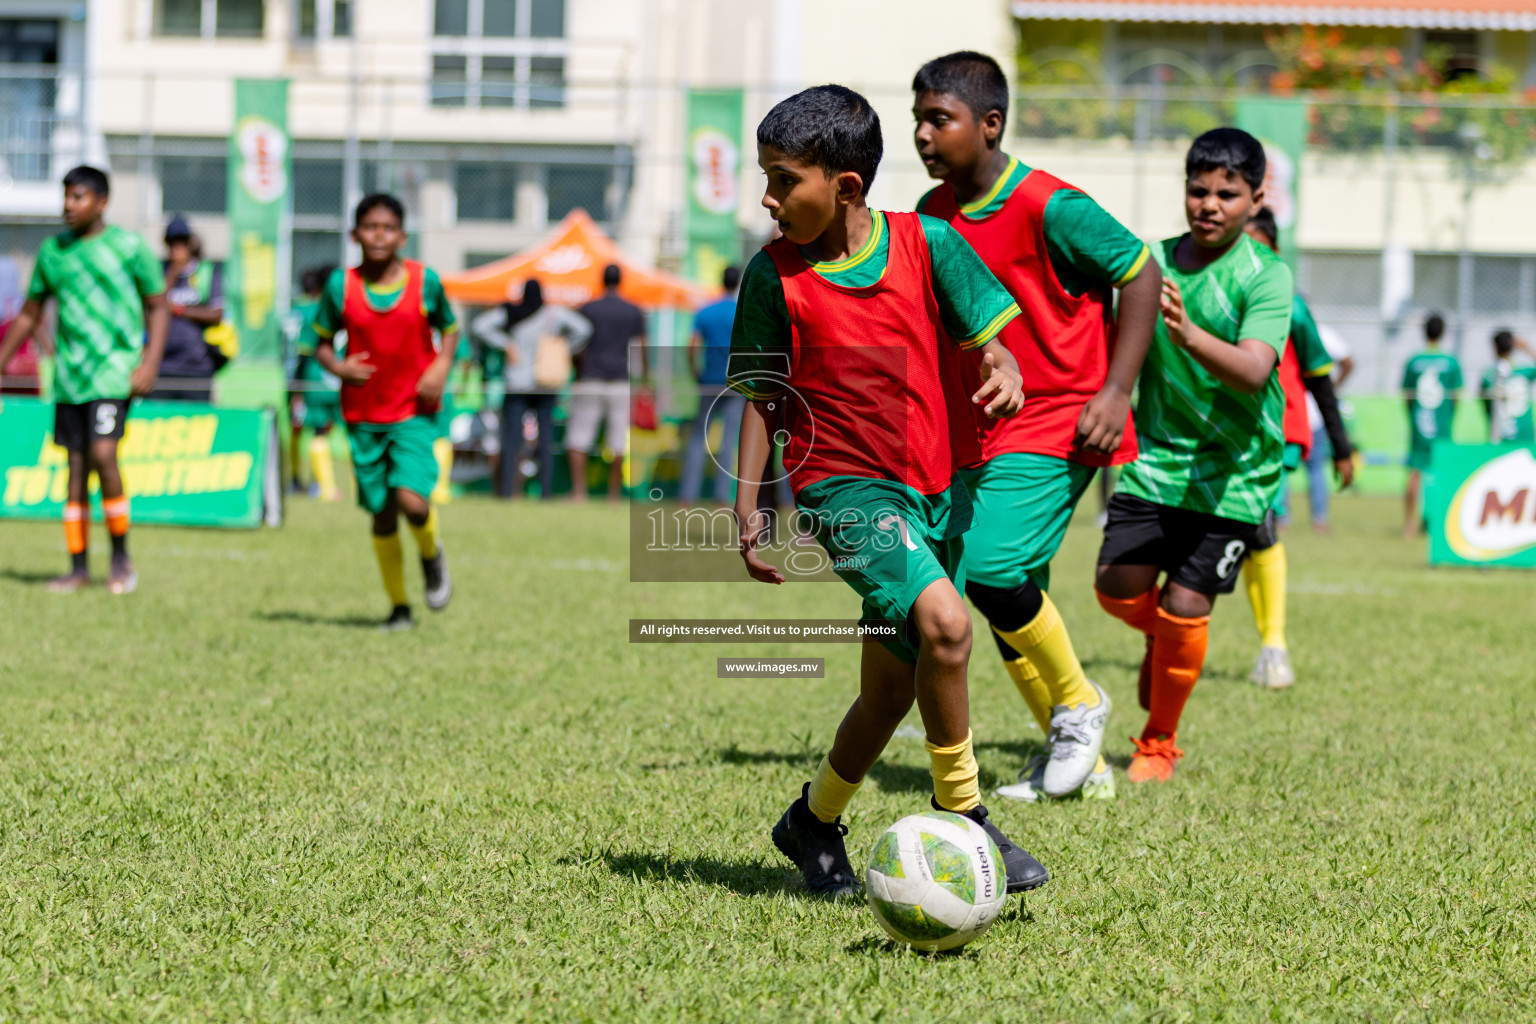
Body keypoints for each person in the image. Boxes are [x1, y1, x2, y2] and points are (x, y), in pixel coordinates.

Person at [731, 85, 1047, 898]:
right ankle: (966, 817)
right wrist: (750, 506)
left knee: (889, 692)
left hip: (933, 491)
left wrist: (1004, 366)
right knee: (946, 626)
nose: (767, 198)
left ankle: (813, 820)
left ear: (846, 186)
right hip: (844, 496)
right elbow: (764, 397)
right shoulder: (774, 277)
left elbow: (993, 341)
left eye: (781, 179)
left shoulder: (928, 243)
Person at [912, 51, 1163, 803]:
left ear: (989, 125)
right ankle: (1084, 768)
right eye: (918, 119)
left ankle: (1081, 708)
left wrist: (1118, 390)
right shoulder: (931, 215)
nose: (923, 135)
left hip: (1061, 415)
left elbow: (1142, 270)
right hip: (982, 428)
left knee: (990, 571)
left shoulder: (1052, 205)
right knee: (1001, 600)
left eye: (939, 119)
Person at [1093, 128, 1292, 784]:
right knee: (1114, 590)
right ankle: (1165, 637)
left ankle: (1158, 740)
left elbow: (1255, 371)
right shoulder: (1147, 261)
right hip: (1155, 460)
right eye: (1197, 190)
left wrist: (1186, 332)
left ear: (1257, 196)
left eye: (1227, 194)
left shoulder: (1268, 275)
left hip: (1235, 476)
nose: (1209, 204)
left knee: (1186, 604)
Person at [0, 165, 169, 594]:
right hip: (70, 377)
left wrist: (149, 363)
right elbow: (30, 313)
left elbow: (158, 305)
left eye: (78, 197)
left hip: (115, 372)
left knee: (104, 454)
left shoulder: (128, 247)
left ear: (102, 201)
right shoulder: (53, 252)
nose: (68, 206)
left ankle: (120, 561)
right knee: (75, 468)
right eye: (66, 197)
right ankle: (77, 568)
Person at [312, 194, 458, 631]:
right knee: (381, 513)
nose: (379, 235)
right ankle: (399, 608)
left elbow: (449, 329)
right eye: (370, 227)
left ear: (402, 236)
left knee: (412, 502)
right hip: (363, 416)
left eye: (387, 228)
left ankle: (431, 556)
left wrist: (441, 366)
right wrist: (339, 366)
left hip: (413, 410)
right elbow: (319, 342)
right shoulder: (341, 287)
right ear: (354, 234)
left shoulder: (424, 282)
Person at [1239, 207, 1354, 691]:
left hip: (1279, 431)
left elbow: (1319, 377)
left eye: (1258, 244)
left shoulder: (1290, 303)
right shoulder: (1222, 293)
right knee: (1249, 530)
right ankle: (1269, 645)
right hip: (1230, 432)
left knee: (1259, 522)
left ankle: (1275, 646)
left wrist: (1342, 445)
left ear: (1275, 249)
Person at [471, 278, 592, 499]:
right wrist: (565, 347)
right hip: (545, 382)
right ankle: (546, 492)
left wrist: (505, 343)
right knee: (546, 441)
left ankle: (508, 491)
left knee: (511, 439)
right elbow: (584, 329)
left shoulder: (511, 312)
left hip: (516, 383)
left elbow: (479, 326)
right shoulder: (553, 314)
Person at [569, 264, 647, 503]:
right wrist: (644, 379)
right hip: (620, 381)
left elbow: (577, 345)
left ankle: (579, 493)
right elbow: (642, 346)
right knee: (617, 441)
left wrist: (577, 371)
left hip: (589, 378)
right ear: (621, 281)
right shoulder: (633, 310)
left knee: (578, 438)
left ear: (602, 280)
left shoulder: (588, 308)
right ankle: (613, 496)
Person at [679, 265, 743, 506]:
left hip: (708, 381)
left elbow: (691, 344)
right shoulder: (740, 311)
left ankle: (687, 495)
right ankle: (722, 496)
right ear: (737, 282)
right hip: (735, 384)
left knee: (698, 439)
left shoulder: (706, 311)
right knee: (729, 442)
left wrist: (695, 372)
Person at [287, 264, 344, 501]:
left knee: (308, 430)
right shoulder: (337, 309)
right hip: (332, 380)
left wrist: (297, 389)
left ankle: (314, 484)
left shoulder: (306, 311)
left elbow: (303, 351)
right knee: (328, 430)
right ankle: (323, 485)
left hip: (314, 380)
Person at [1402, 312, 1462, 538]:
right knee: (1441, 476)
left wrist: (1412, 415)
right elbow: (1456, 396)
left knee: (1415, 473)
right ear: (1443, 333)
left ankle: (1409, 525)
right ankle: (1439, 524)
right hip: (1441, 425)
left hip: (1419, 426)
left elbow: (1406, 396)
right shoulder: (1451, 362)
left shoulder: (1414, 361)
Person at [153, 217, 224, 403]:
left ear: (190, 243)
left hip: (197, 367)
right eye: (172, 243)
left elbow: (217, 314)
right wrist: (173, 273)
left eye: (182, 242)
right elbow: (155, 306)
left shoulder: (206, 272)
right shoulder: (159, 272)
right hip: (163, 366)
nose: (177, 248)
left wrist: (179, 309)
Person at [1304, 322, 1354, 532]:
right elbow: (1348, 362)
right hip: (1295, 414)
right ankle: (1318, 519)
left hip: (1307, 414)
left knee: (1310, 468)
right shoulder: (1324, 334)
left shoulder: (1320, 333)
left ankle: (1283, 519)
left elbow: (1348, 362)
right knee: (1314, 469)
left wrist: (1329, 389)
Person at [1480, 329, 1536, 445]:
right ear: (1513, 346)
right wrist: (1526, 348)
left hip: (1499, 435)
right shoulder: (1524, 372)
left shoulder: (1488, 376)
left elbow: (1484, 405)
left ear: (1495, 347)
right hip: (1524, 436)